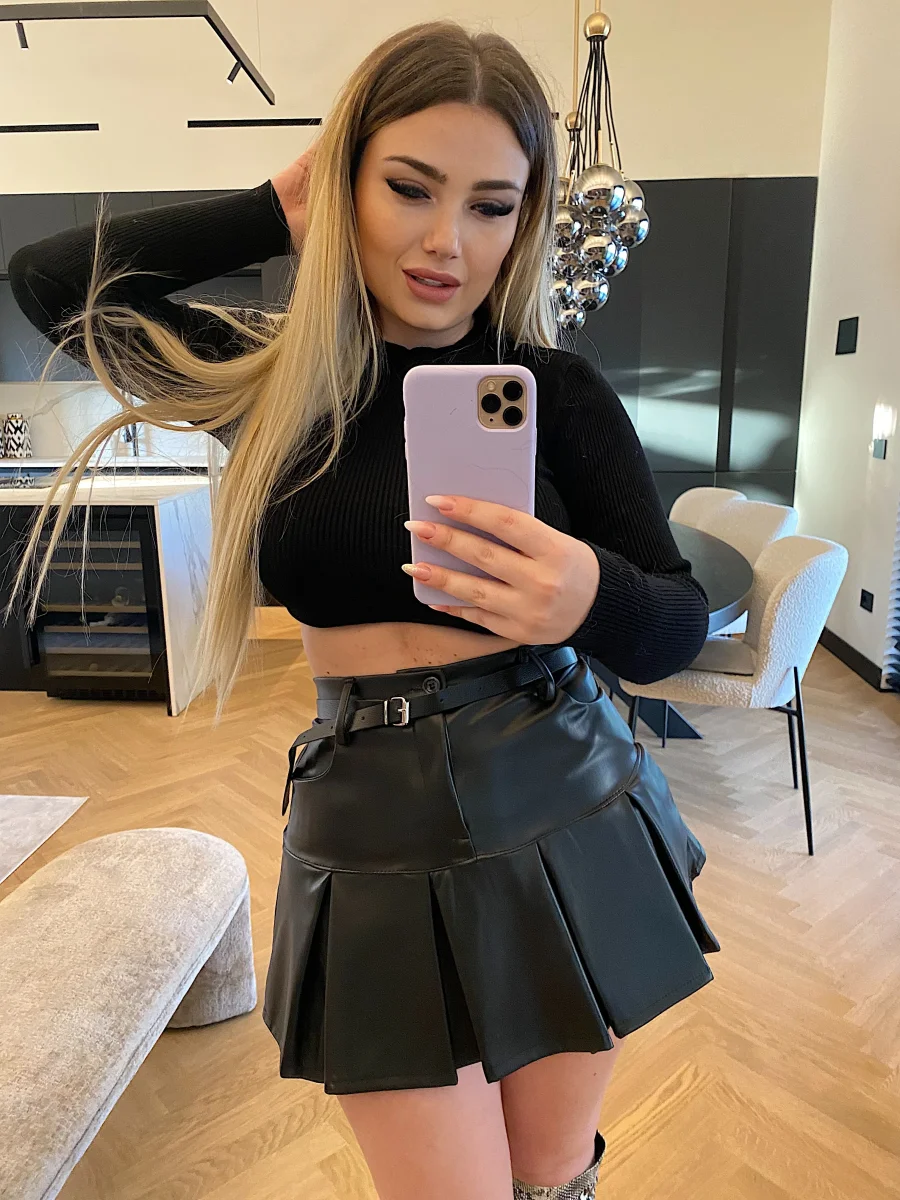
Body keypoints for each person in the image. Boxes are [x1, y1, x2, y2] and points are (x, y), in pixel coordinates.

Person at [8, 20, 721, 1200]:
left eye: (492, 205)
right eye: (408, 186)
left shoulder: (556, 389)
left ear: (526, 220)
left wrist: (589, 591)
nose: (447, 242)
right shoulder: (270, 383)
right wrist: (269, 212)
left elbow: (680, 624)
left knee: (554, 1176)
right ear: (345, 182)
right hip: (365, 815)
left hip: (562, 785)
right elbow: (47, 282)